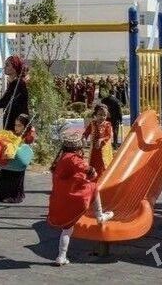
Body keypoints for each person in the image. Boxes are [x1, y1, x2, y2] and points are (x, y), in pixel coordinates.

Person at [48, 135, 114, 266]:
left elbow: (72, 176)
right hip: (72, 198)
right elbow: (87, 169)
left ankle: (61, 256)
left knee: (67, 229)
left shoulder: (62, 158)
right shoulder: (73, 158)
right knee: (93, 187)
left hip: (60, 198)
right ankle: (100, 216)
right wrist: (93, 173)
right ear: (77, 148)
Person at [0, 56, 30, 203]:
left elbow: (4, 102)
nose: (5, 67)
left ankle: (14, 194)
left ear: (15, 67)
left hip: (17, 126)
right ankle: (3, 193)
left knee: (14, 158)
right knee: (7, 157)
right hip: (11, 125)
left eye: (7, 65)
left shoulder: (19, 84)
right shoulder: (14, 83)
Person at [82, 104, 113, 176]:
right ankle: (93, 178)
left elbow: (109, 135)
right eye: (100, 115)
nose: (102, 117)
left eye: (104, 115)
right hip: (94, 150)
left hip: (103, 149)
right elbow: (86, 133)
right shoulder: (92, 123)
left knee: (103, 164)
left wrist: (101, 140)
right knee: (93, 164)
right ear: (95, 114)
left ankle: (103, 179)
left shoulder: (107, 124)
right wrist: (84, 138)